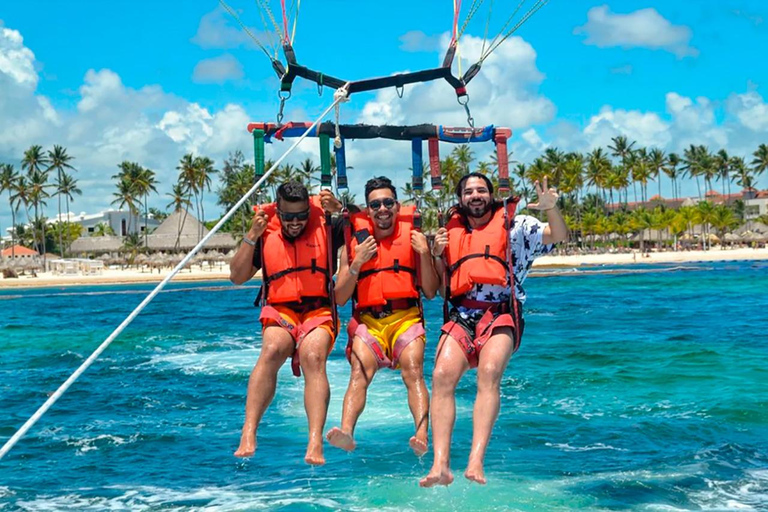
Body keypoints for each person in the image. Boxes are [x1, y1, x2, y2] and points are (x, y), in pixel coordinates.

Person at [420, 173, 567, 487]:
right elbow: (441, 289)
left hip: (500, 314)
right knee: (442, 376)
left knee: (488, 372)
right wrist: (435, 254)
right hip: (461, 315)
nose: (476, 195)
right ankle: (440, 465)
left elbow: (558, 235)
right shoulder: (449, 232)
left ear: (492, 195)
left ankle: (475, 461)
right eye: (469, 191)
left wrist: (551, 208)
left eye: (482, 190)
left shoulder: (516, 227)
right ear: (460, 199)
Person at [229, 181, 344, 465]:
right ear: (277, 211)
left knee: (313, 356)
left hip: (318, 309)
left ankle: (315, 440)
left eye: (302, 215)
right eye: (288, 217)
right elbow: (237, 276)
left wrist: (340, 211)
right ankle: (249, 430)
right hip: (280, 310)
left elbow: (365, 227)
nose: (295, 223)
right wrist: (252, 235)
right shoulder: (265, 231)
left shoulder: (327, 224)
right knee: (271, 350)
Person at [325, 176, 439, 456]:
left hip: (406, 318)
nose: (383, 209)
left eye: (388, 202)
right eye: (375, 205)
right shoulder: (353, 246)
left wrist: (424, 254)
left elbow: (431, 291)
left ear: (398, 206)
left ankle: (421, 435)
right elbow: (339, 298)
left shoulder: (415, 239)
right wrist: (357, 263)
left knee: (413, 372)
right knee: (359, 372)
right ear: (368, 210)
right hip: (369, 322)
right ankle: (347, 432)